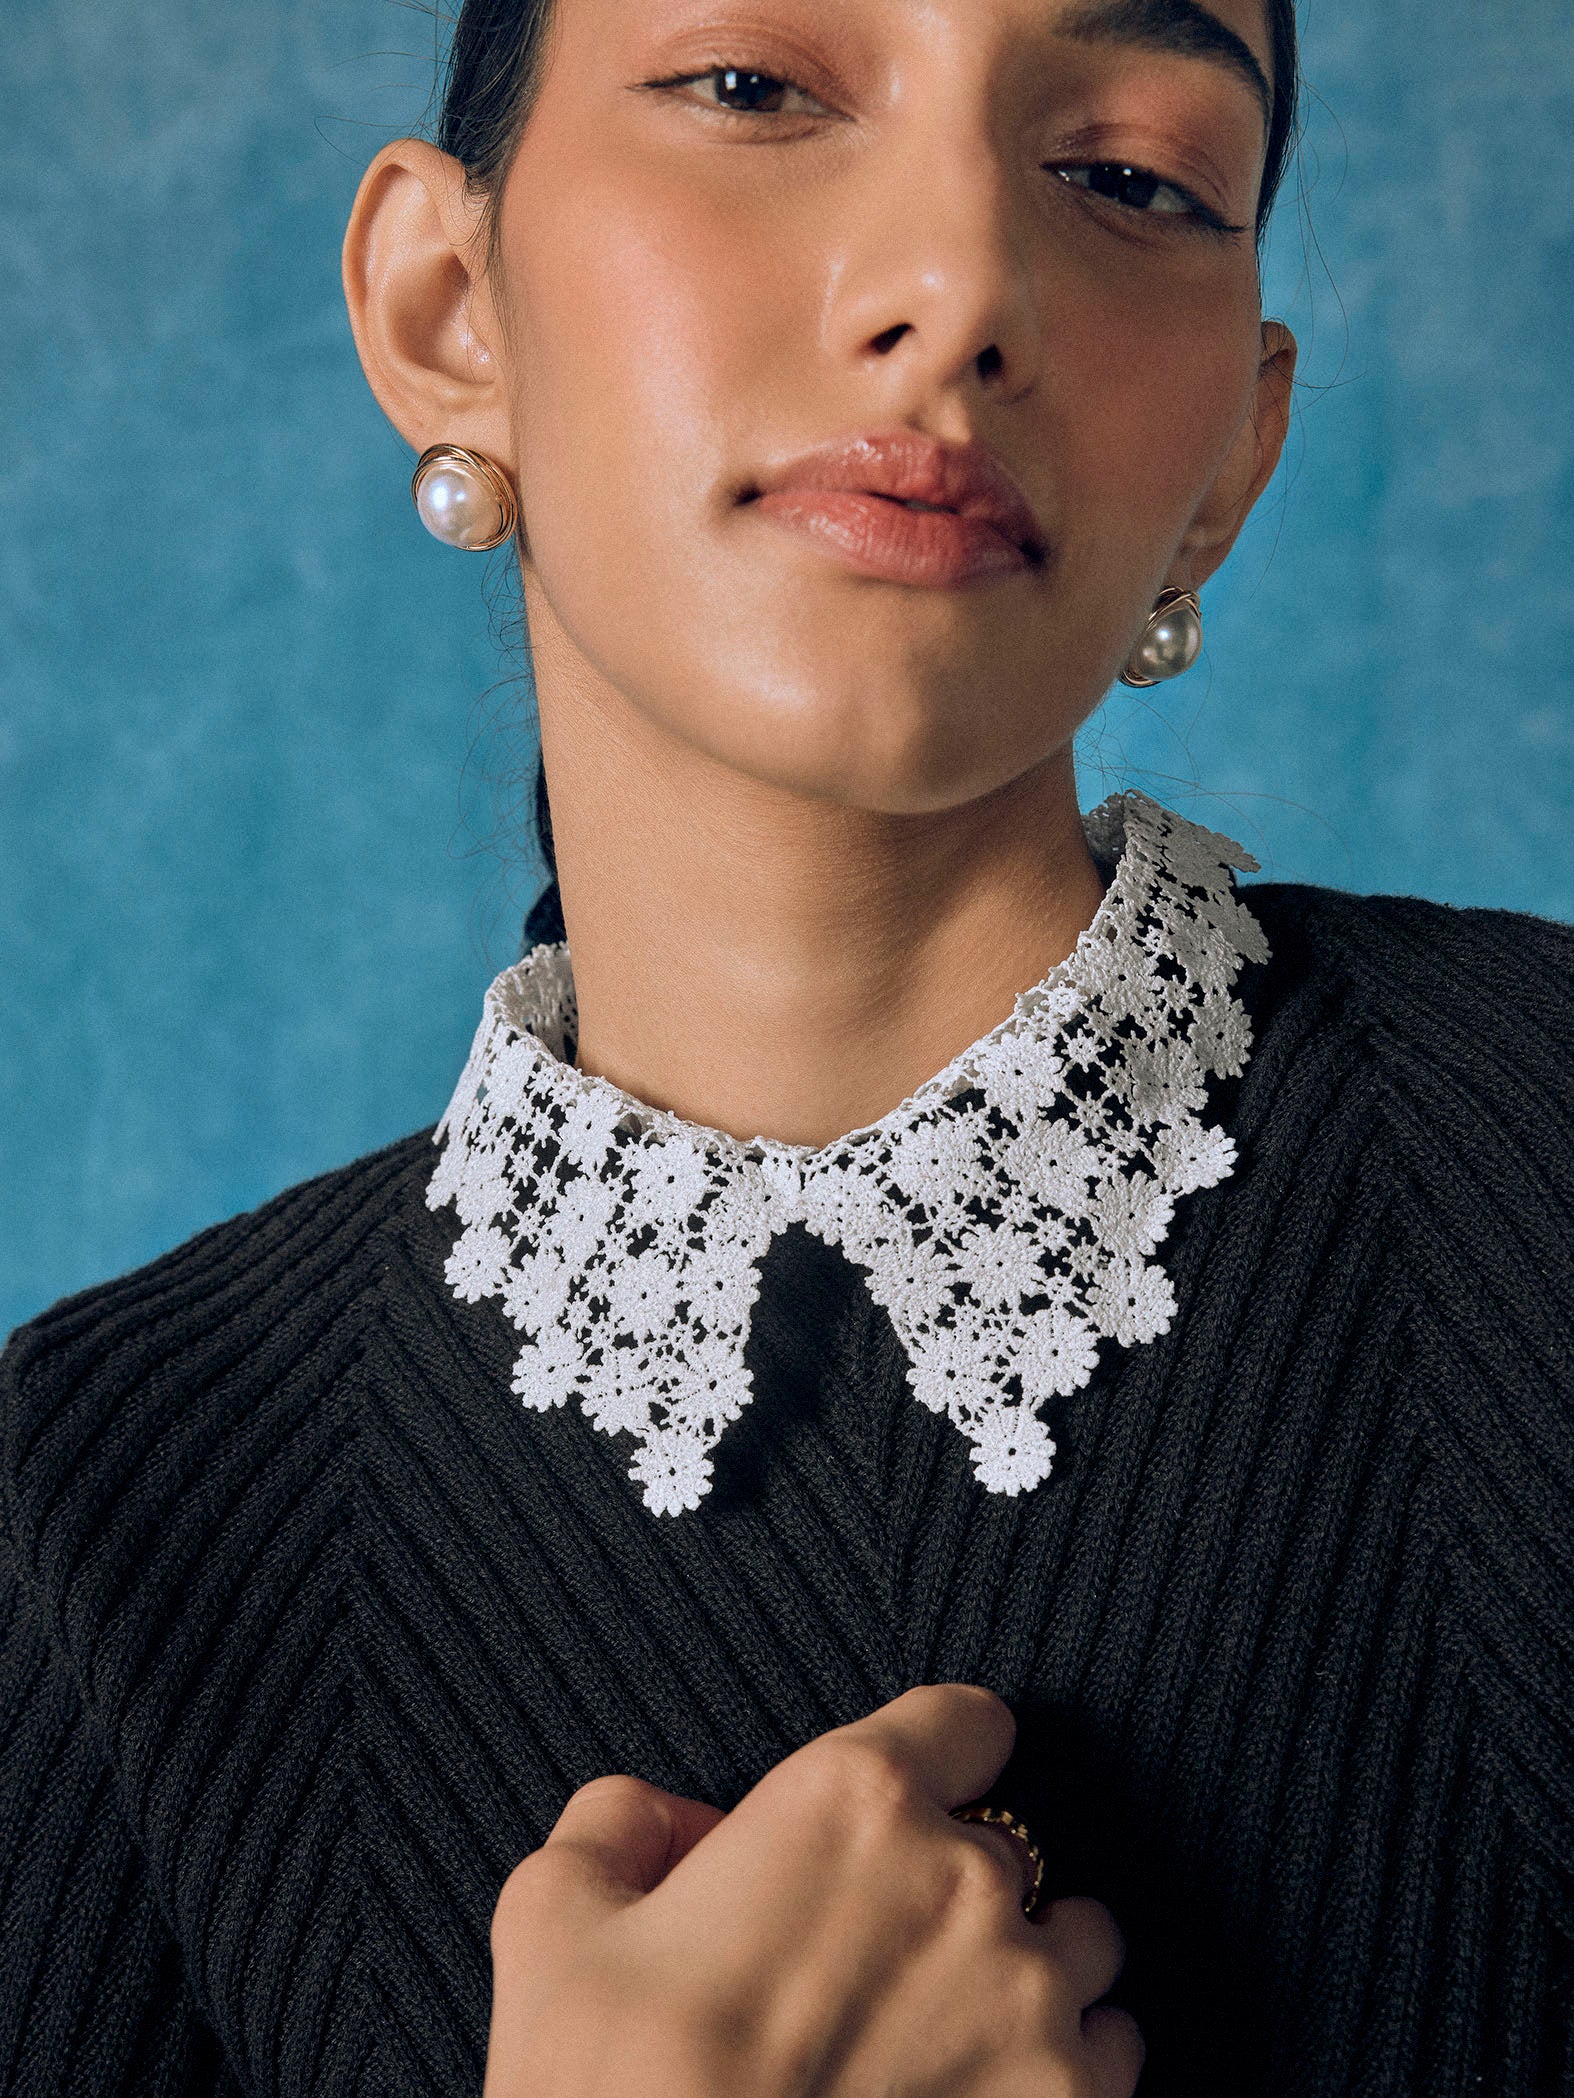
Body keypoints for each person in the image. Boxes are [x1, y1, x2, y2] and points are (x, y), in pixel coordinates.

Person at [2, 0, 1570, 2092]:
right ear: (444, 303)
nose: (956, 290)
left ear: (1234, 454)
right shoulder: (104, 1507)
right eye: (752, 87)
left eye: (1131, 175)